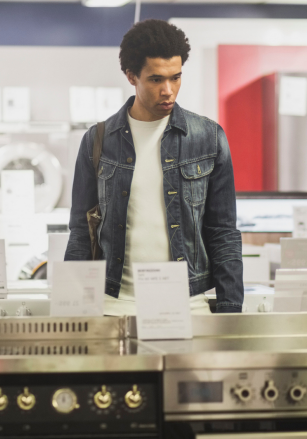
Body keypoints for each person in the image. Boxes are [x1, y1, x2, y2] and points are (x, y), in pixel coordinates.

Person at [64, 19, 243, 315]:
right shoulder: (97, 141)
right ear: (131, 76)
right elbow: (82, 232)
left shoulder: (208, 138)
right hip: (114, 306)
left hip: (187, 305)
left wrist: (230, 309)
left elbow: (223, 232)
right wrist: (71, 309)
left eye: (176, 77)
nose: (168, 90)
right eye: (156, 79)